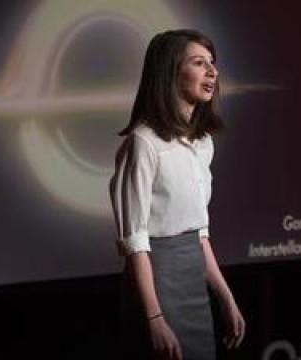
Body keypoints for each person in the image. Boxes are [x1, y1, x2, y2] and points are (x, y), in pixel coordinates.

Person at [109, 29, 246, 360]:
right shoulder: (143, 143)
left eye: (212, 63)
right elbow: (136, 242)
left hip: (193, 282)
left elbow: (200, 234)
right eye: (199, 63)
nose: (212, 72)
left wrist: (226, 298)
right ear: (171, 72)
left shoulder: (202, 144)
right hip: (157, 281)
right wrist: (154, 318)